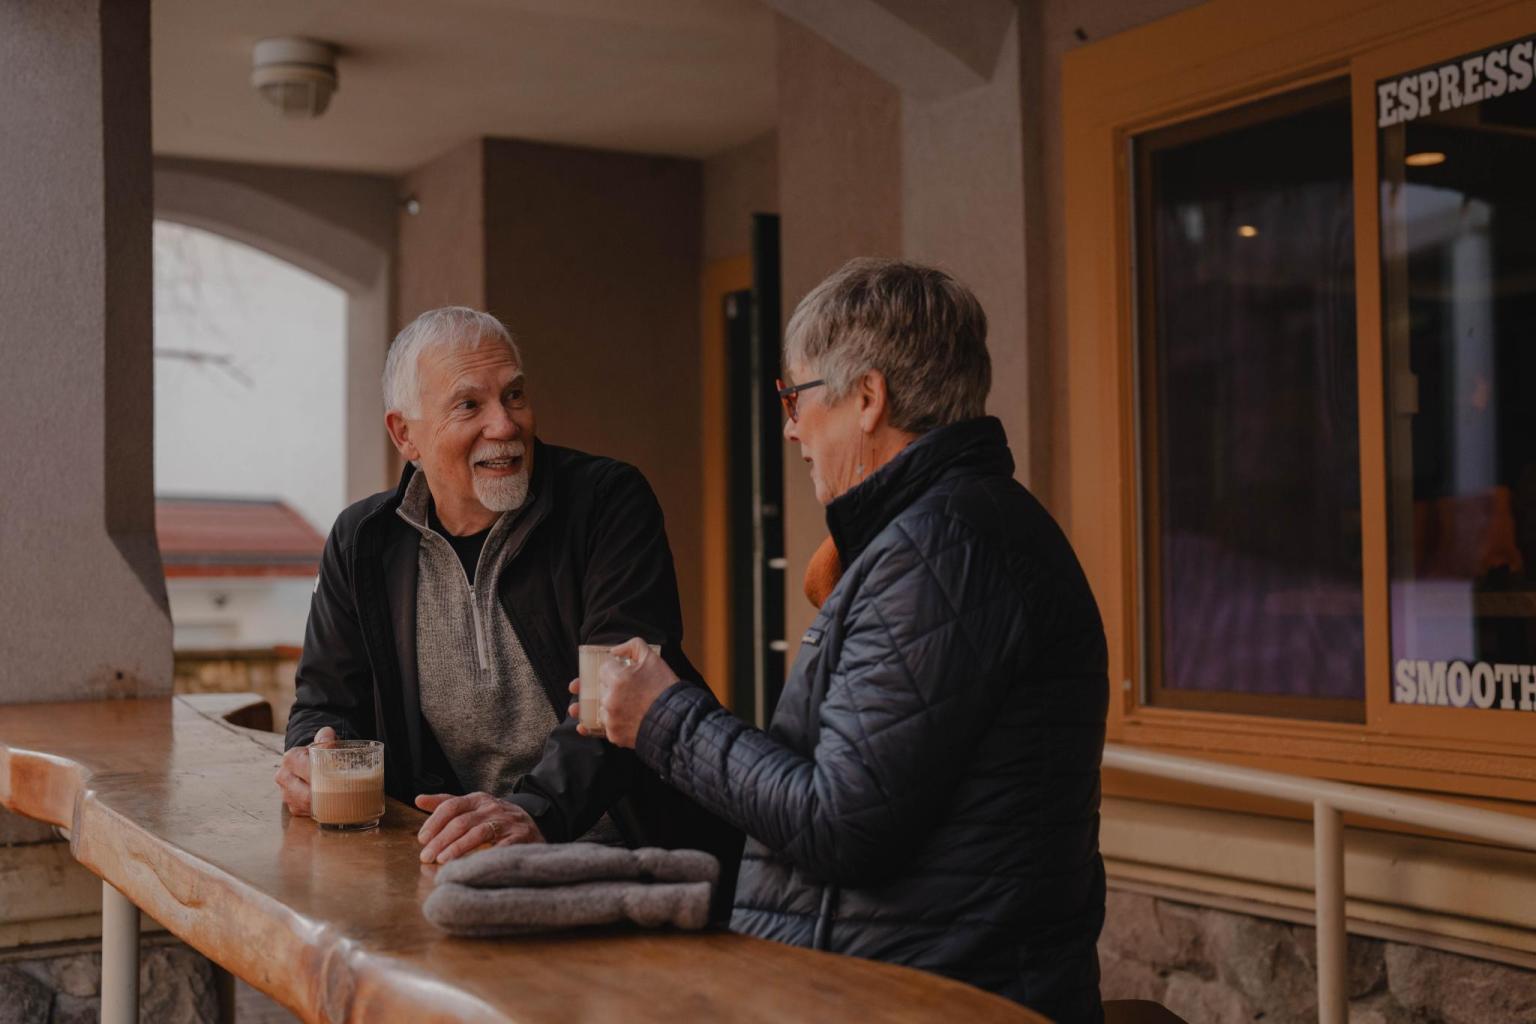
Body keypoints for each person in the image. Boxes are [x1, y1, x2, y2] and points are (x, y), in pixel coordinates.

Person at [589, 259, 1109, 1021]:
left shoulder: (942, 553)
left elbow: (841, 824)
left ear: (868, 398)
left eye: (793, 397)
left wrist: (665, 718)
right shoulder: (947, 535)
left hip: (927, 998)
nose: (791, 426)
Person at [276, 306, 739, 889]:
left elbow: (621, 690)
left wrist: (538, 810)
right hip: (453, 858)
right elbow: (325, 702)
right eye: (470, 405)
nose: (505, 425)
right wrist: (309, 756)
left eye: (514, 395)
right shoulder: (361, 540)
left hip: (628, 851)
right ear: (405, 434)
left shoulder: (608, 502)